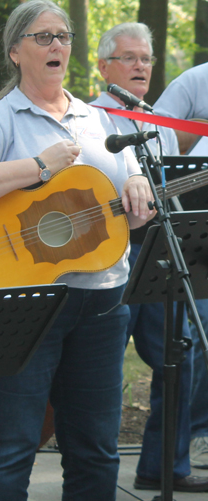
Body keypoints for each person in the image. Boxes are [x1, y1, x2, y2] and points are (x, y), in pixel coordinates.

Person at [0, 0, 155, 501]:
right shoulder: (0, 120)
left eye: (64, 36)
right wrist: (37, 166)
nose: (57, 44)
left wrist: (140, 189)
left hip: (103, 302)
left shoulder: (99, 119)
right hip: (24, 305)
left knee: (97, 447)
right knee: (9, 448)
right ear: (15, 51)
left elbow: (128, 184)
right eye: (44, 36)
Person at [92, 22, 208, 492]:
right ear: (104, 68)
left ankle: (165, 465)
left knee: (179, 357)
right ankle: (93, 470)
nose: (141, 66)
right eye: (129, 58)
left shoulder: (156, 122)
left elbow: (165, 191)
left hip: (158, 259)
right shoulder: (88, 117)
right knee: (100, 367)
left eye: (146, 59)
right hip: (107, 261)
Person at [154, 65, 208, 470]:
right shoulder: (195, 81)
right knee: (201, 334)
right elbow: (157, 147)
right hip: (195, 226)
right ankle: (199, 434)